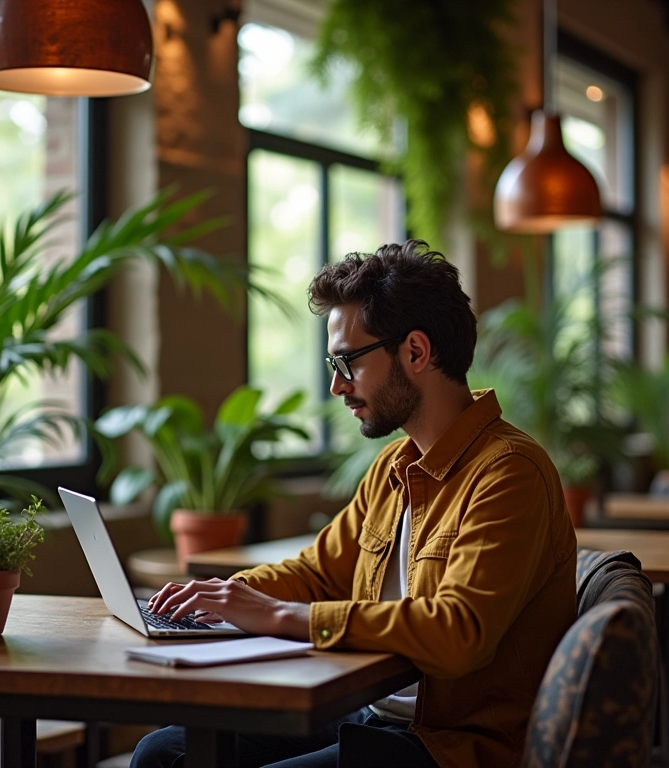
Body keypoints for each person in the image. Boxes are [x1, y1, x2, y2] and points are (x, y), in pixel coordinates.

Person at [131, 239, 577, 768]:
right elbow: (319, 571)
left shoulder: (509, 472)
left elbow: (458, 632)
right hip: (370, 716)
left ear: (415, 351)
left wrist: (276, 614)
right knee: (164, 752)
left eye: (347, 361)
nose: (336, 385)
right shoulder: (394, 466)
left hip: (448, 746)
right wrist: (224, 596)